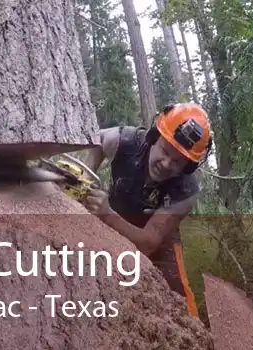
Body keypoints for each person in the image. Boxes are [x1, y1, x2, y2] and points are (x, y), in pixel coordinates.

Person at [81, 103, 213, 318]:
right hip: (115, 216)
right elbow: (98, 140)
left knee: (177, 293)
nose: (167, 163)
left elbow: (149, 243)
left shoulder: (186, 190)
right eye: (165, 151)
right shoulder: (126, 140)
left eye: (178, 162)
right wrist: (86, 177)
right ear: (154, 137)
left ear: (188, 167)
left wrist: (106, 214)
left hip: (157, 238)